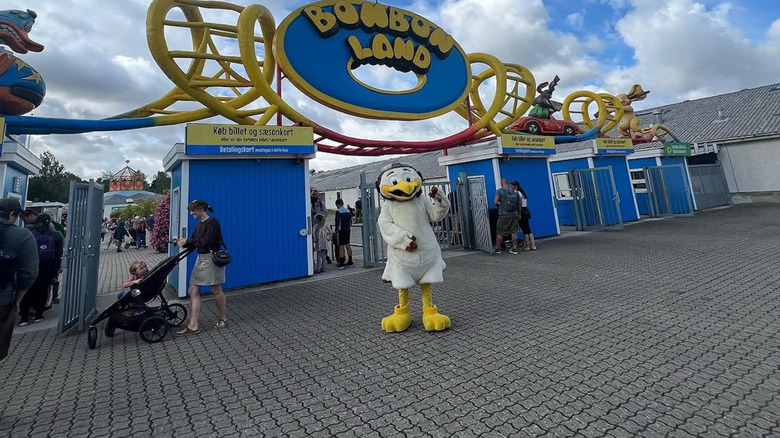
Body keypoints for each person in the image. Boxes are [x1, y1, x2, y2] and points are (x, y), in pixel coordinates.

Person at [176, 200, 227, 335]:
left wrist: (189, 241)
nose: (191, 213)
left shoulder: (213, 223)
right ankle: (193, 325)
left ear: (200, 209)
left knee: (216, 289)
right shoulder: (199, 225)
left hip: (211, 259)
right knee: (193, 290)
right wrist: (183, 242)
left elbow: (207, 242)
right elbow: (195, 242)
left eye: (193, 210)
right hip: (201, 259)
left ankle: (222, 317)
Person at [0, 198, 38, 362]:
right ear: (12, 215)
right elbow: (28, 273)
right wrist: (18, 299)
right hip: (4, 299)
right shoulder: (21, 236)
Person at [18, 214, 64, 326]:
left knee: (27, 290)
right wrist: (56, 270)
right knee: (43, 289)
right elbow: (58, 254)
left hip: (30, 265)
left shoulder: (28, 233)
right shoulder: (56, 235)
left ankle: (24, 316)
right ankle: (39, 314)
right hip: (47, 267)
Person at [493, 178, 521, 254]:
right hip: (514, 214)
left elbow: (495, 202)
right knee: (514, 231)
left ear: (501, 183)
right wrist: (519, 214)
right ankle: (515, 248)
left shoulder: (500, 191)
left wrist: (499, 205)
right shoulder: (515, 192)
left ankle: (497, 248)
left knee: (500, 231)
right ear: (508, 183)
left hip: (504, 214)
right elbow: (519, 204)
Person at [512, 181, 537, 251]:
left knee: (524, 230)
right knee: (528, 229)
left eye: (512, 186)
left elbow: (519, 204)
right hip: (526, 211)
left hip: (522, 211)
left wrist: (518, 214)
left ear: (515, 186)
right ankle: (533, 245)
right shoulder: (523, 193)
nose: (511, 188)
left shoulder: (517, 193)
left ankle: (527, 246)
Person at [334, 198, 354, 269]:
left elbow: (337, 222)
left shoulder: (338, 212)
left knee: (341, 246)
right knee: (348, 245)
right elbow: (350, 221)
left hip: (341, 230)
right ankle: (350, 261)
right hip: (347, 230)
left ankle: (341, 262)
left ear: (337, 204)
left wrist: (336, 230)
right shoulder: (348, 211)